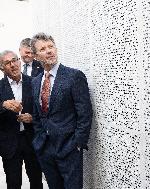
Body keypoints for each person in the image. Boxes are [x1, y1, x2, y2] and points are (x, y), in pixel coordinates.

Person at [30, 32, 93, 189]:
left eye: (51, 46)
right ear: (36, 56)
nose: (49, 51)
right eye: (43, 49)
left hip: (69, 149)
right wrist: (39, 140)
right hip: (45, 149)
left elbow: (85, 114)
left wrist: (78, 143)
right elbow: (37, 115)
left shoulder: (74, 76)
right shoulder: (36, 81)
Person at [0, 50, 43, 189]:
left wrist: (33, 118)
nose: (13, 65)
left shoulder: (35, 83)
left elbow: (44, 111)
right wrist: (3, 105)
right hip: (9, 143)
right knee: (13, 183)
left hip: (31, 140)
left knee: (36, 181)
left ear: (19, 61)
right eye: (7, 63)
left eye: (15, 60)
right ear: (1, 68)